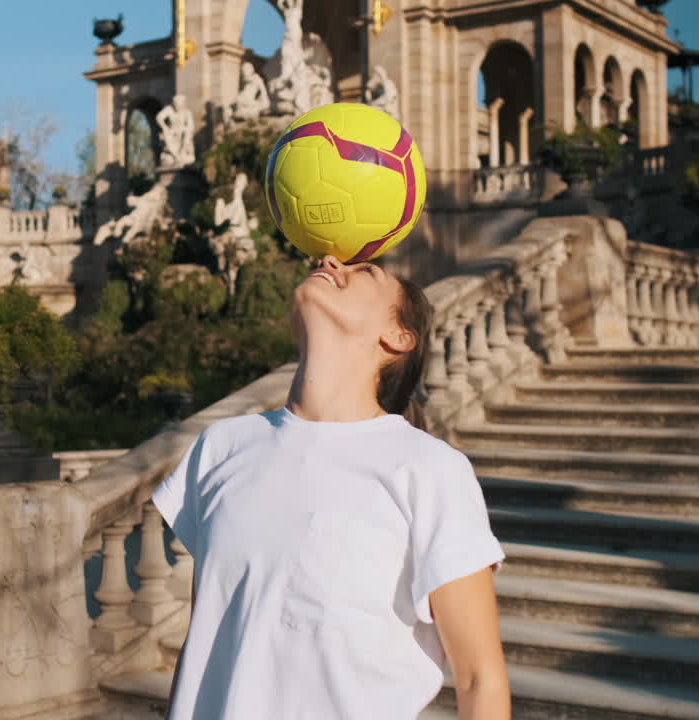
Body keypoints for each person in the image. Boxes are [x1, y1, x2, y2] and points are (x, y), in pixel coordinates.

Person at [152, 254, 511, 719]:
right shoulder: (221, 446)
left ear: (398, 336)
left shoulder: (430, 469)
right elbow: (203, 644)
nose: (329, 261)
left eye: (367, 272)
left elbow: (480, 679)